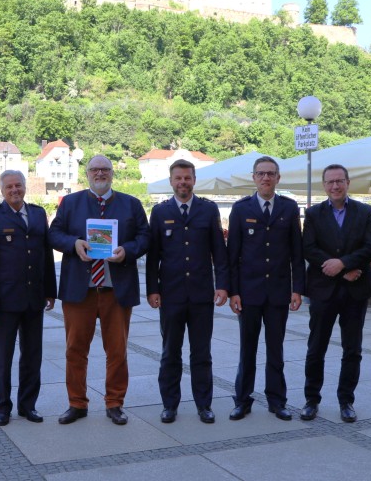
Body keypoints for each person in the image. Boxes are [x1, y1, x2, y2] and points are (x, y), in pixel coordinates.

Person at [49, 155, 150, 426]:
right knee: (75, 349)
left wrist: (127, 250)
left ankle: (114, 403)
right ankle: (77, 403)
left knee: (117, 351)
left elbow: (145, 237)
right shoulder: (70, 203)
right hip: (79, 289)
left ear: (112, 173)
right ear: (87, 173)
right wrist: (74, 244)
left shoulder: (131, 204)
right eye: (95, 169)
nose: (100, 173)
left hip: (115, 290)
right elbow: (54, 234)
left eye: (105, 169)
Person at [146, 159, 229, 424]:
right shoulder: (160, 211)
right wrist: (152, 289)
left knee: (201, 353)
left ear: (194, 180)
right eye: (178, 178)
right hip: (171, 295)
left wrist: (222, 285)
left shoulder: (208, 209)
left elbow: (219, 251)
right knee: (170, 352)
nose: (183, 182)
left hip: (201, 295)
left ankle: (204, 405)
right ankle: (169, 405)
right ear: (171, 181)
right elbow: (153, 256)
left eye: (187, 178)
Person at [227, 156, 305, 422]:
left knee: (276, 350)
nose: (266, 178)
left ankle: (277, 400)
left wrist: (297, 289)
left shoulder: (289, 207)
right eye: (261, 173)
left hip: (278, 292)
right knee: (247, 350)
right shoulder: (241, 209)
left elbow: (296, 253)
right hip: (248, 292)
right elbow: (232, 254)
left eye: (271, 174)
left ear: (278, 178)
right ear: (254, 177)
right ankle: (242, 400)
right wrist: (233, 291)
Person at [0, 171, 57, 426]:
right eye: (10, 187)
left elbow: (46, 255)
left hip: (34, 297)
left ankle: (28, 405)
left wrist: (50, 290)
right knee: (3, 356)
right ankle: (3, 407)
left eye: (18, 185)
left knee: (32, 355)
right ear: (2, 190)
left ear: (25, 187)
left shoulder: (38, 214)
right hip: (4, 300)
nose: (15, 190)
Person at [300, 164, 371, 423]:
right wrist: (340, 270)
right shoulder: (313, 214)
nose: (335, 186)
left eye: (339, 181)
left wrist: (343, 263)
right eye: (330, 182)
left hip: (356, 291)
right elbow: (309, 248)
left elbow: (370, 247)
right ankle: (311, 400)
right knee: (316, 347)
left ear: (348, 182)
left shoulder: (364, 212)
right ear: (324, 185)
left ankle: (346, 401)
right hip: (324, 290)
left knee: (352, 350)